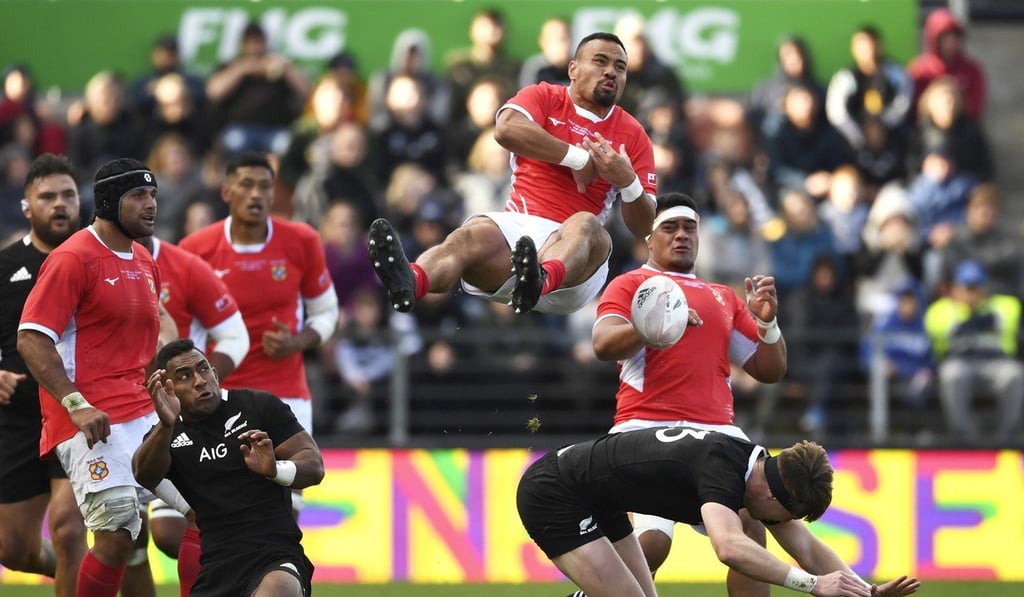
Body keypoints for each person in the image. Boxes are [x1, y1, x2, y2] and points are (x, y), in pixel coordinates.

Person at [369, 32, 656, 316]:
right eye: (600, 61)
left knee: (587, 225)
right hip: (519, 242)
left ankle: (541, 278)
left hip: (573, 266)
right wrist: (578, 159)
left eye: (620, 67)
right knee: (468, 235)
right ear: (573, 69)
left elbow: (645, 228)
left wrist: (627, 182)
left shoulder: (633, 134)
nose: (611, 72)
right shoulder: (544, 95)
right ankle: (412, 280)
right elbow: (506, 129)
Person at [591, 192, 787, 596]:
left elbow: (769, 370)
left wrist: (767, 326)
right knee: (651, 545)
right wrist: (650, 327)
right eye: (670, 227)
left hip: (716, 434)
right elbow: (602, 344)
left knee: (752, 527)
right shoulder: (632, 285)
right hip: (647, 428)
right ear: (650, 237)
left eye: (689, 228)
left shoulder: (722, 297)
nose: (682, 235)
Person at [16, 157, 177, 597]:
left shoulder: (145, 260)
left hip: (143, 415)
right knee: (116, 532)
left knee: (205, 507)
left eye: (153, 195)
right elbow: (31, 339)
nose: (151, 205)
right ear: (108, 202)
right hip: (89, 418)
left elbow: (144, 344)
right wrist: (76, 403)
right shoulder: (72, 258)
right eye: (138, 196)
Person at [517, 427, 921, 597]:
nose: (777, 525)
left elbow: (810, 550)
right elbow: (728, 547)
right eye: (782, 515)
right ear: (773, 494)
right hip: (554, 491)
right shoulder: (721, 469)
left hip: (594, 497)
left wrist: (863, 591)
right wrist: (813, 586)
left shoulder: (758, 471)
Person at [178, 151, 338, 501]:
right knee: (214, 502)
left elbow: (327, 313)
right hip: (217, 395)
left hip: (285, 392)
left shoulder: (302, 240)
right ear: (226, 192)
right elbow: (185, 329)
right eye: (246, 185)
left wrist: (297, 342)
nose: (256, 195)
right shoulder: (195, 250)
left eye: (265, 187)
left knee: (287, 498)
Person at [133, 338, 324, 597]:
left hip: (275, 555)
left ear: (214, 372)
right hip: (215, 566)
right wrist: (165, 426)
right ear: (168, 389)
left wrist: (275, 470)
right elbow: (144, 474)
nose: (199, 381)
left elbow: (314, 465)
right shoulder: (168, 435)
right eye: (184, 376)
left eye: (203, 369)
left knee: (279, 591)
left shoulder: (258, 406)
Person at [135, 232, 250, 594]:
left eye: (148, 196)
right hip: (115, 414)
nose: (146, 205)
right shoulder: (82, 261)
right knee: (124, 533)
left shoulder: (185, 266)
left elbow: (235, 335)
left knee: (183, 525)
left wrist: (196, 390)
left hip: (173, 413)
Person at [0, 153, 86, 596]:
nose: (59, 205)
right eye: (47, 196)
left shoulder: (99, 259)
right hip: (17, 419)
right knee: (13, 549)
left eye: (68, 195)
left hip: (80, 417)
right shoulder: (5, 265)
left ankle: (81, 571)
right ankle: (82, 576)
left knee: (70, 530)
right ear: (26, 206)